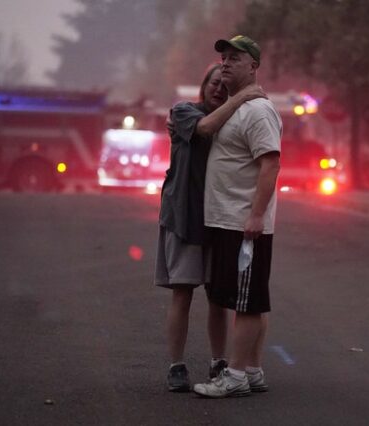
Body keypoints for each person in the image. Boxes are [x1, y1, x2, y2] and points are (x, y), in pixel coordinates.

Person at [154, 63, 266, 392]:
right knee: (183, 293)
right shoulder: (185, 112)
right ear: (203, 86)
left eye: (224, 85)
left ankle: (219, 360)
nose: (218, 89)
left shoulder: (234, 121)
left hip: (220, 220)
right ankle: (176, 365)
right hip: (184, 218)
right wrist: (241, 97)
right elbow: (204, 128)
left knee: (218, 298)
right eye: (213, 83)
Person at [193, 35, 282, 398]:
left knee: (247, 302)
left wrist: (256, 216)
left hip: (243, 222)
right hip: (224, 219)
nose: (226, 63)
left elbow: (271, 164)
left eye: (235, 58)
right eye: (224, 57)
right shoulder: (236, 106)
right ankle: (253, 370)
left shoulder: (259, 111)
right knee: (243, 298)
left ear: (253, 66)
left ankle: (235, 375)